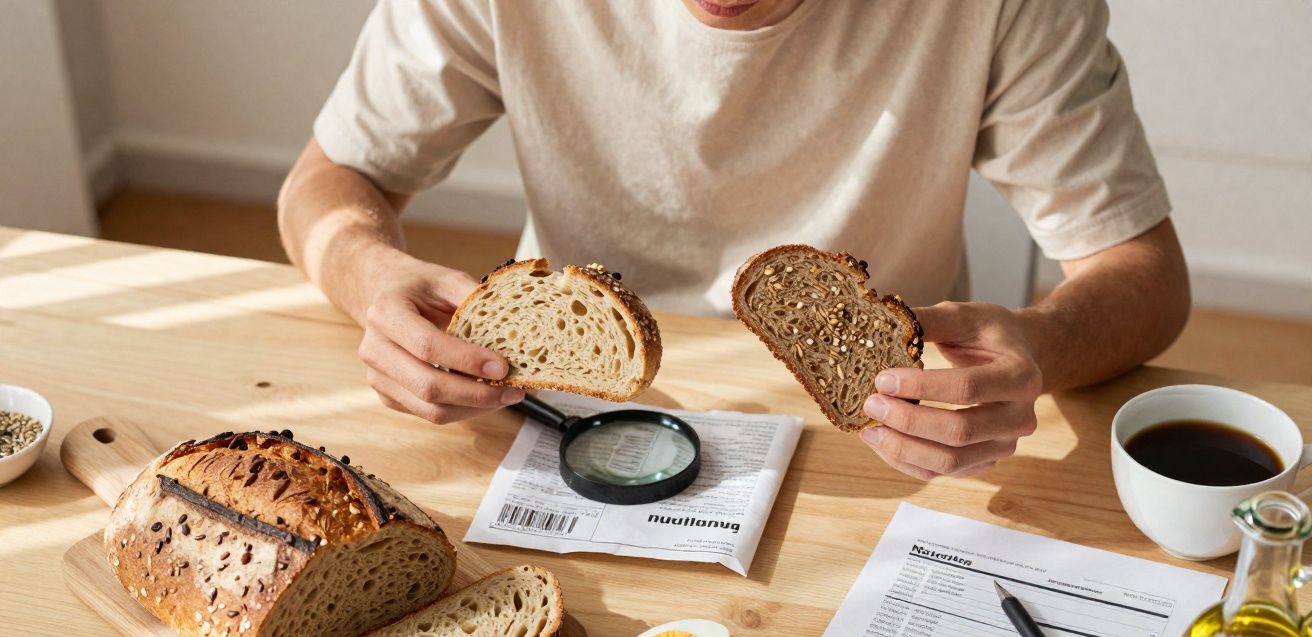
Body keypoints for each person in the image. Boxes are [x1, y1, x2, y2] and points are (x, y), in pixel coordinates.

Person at [278, 0, 1189, 481]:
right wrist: (371, 276)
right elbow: (328, 184)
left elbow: (1143, 273)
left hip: (881, 435)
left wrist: (1042, 346)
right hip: (551, 410)